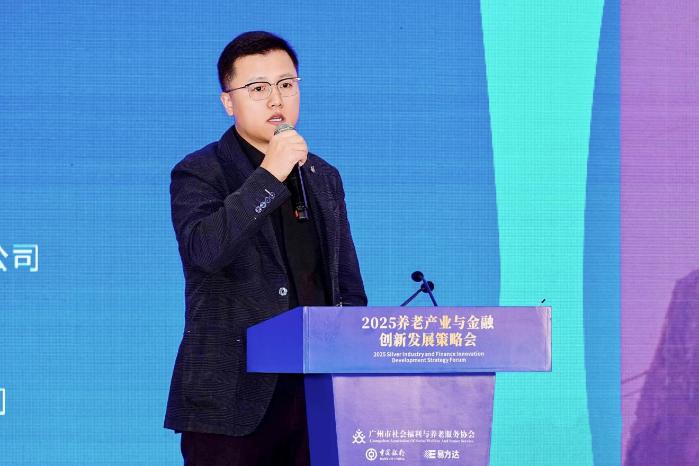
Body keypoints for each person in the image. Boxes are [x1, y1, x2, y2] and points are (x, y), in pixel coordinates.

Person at [163, 31, 367, 466]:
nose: (276, 99)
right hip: (232, 400)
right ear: (228, 102)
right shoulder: (199, 172)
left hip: (315, 397)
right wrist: (270, 174)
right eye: (258, 89)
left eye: (286, 84)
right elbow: (205, 250)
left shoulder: (323, 176)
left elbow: (347, 285)